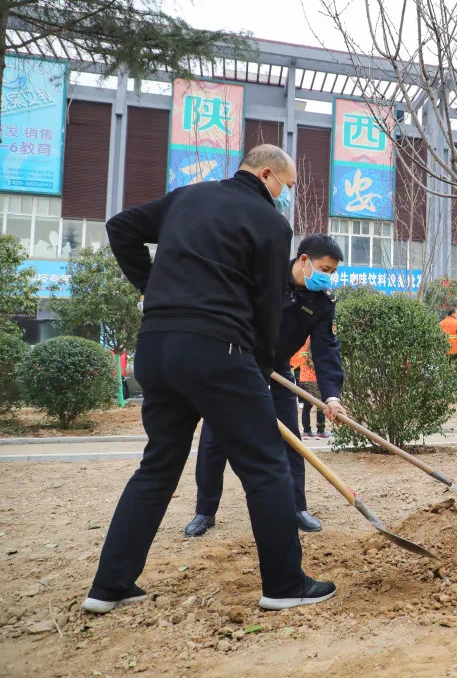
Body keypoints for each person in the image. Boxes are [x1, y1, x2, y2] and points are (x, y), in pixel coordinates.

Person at [84, 145, 335, 613]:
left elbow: (120, 227)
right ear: (266, 175)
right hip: (219, 349)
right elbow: (265, 305)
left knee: (158, 464)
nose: (285, 198)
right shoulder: (271, 224)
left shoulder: (186, 197)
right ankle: (284, 584)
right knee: (265, 467)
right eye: (285, 187)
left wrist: (151, 286)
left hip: (157, 348)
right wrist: (260, 366)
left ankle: (109, 584)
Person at [186, 234, 347, 537]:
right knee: (215, 439)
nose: (328, 276)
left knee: (291, 441)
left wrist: (332, 396)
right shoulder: (265, 275)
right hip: (237, 364)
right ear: (304, 261)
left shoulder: (322, 302)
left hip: (278, 370)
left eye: (332, 271)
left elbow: (326, 350)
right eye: (324, 269)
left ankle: (297, 507)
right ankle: (204, 511)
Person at [295, 338, 327, 439]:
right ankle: (320, 432)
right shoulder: (318, 338)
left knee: (306, 406)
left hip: (304, 378)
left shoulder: (301, 341)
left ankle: (306, 432)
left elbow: (294, 361)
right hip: (317, 378)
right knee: (321, 406)